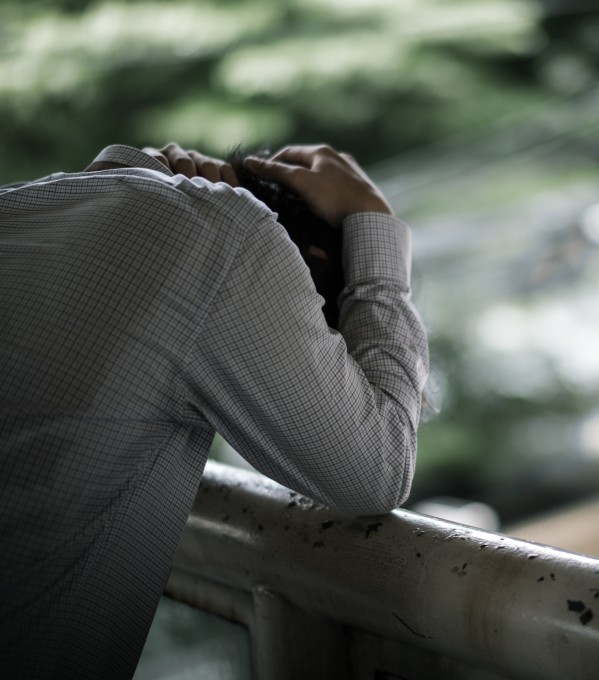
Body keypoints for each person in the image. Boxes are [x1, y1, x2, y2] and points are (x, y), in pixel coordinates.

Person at [0, 142, 430, 678]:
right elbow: (376, 472)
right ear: (313, 266)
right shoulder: (222, 233)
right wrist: (376, 232)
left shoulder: (29, 205)